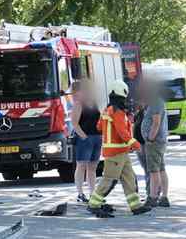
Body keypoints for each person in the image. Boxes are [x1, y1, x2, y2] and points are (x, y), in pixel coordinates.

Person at [88, 79, 146, 217]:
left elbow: (99, 127)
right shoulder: (118, 112)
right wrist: (136, 145)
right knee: (109, 179)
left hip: (120, 152)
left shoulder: (107, 110)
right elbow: (122, 132)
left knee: (129, 178)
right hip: (116, 152)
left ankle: (135, 206)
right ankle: (93, 205)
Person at [71, 80, 101, 203]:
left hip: (96, 137)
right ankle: (80, 193)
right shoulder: (79, 104)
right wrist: (84, 137)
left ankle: (92, 192)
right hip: (85, 138)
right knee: (81, 165)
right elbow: (74, 123)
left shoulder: (94, 103)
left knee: (93, 167)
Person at [141, 80, 170, 208]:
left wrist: (150, 138)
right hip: (160, 141)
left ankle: (153, 197)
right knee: (161, 169)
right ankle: (164, 197)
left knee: (154, 171)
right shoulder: (157, 102)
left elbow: (156, 122)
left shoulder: (156, 102)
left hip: (155, 142)